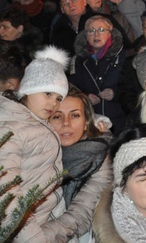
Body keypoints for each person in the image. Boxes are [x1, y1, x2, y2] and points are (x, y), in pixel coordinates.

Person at [0, 46, 69, 242]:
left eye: (58, 98)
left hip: (42, 221)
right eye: (47, 93)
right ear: (28, 89)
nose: (53, 104)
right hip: (23, 231)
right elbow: (7, 194)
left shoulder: (34, 122)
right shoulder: (10, 126)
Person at [46, 86, 113, 242]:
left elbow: (82, 212)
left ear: (86, 122)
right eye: (57, 116)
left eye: (75, 115)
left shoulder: (99, 155)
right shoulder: (40, 153)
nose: (66, 123)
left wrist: (37, 236)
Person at [70, 15, 128, 132]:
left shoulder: (124, 57)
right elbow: (71, 88)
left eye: (102, 30)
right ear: (85, 35)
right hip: (92, 123)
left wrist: (115, 93)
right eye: (91, 31)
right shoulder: (78, 61)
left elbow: (132, 87)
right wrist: (85, 97)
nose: (96, 35)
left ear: (110, 33)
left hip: (121, 121)